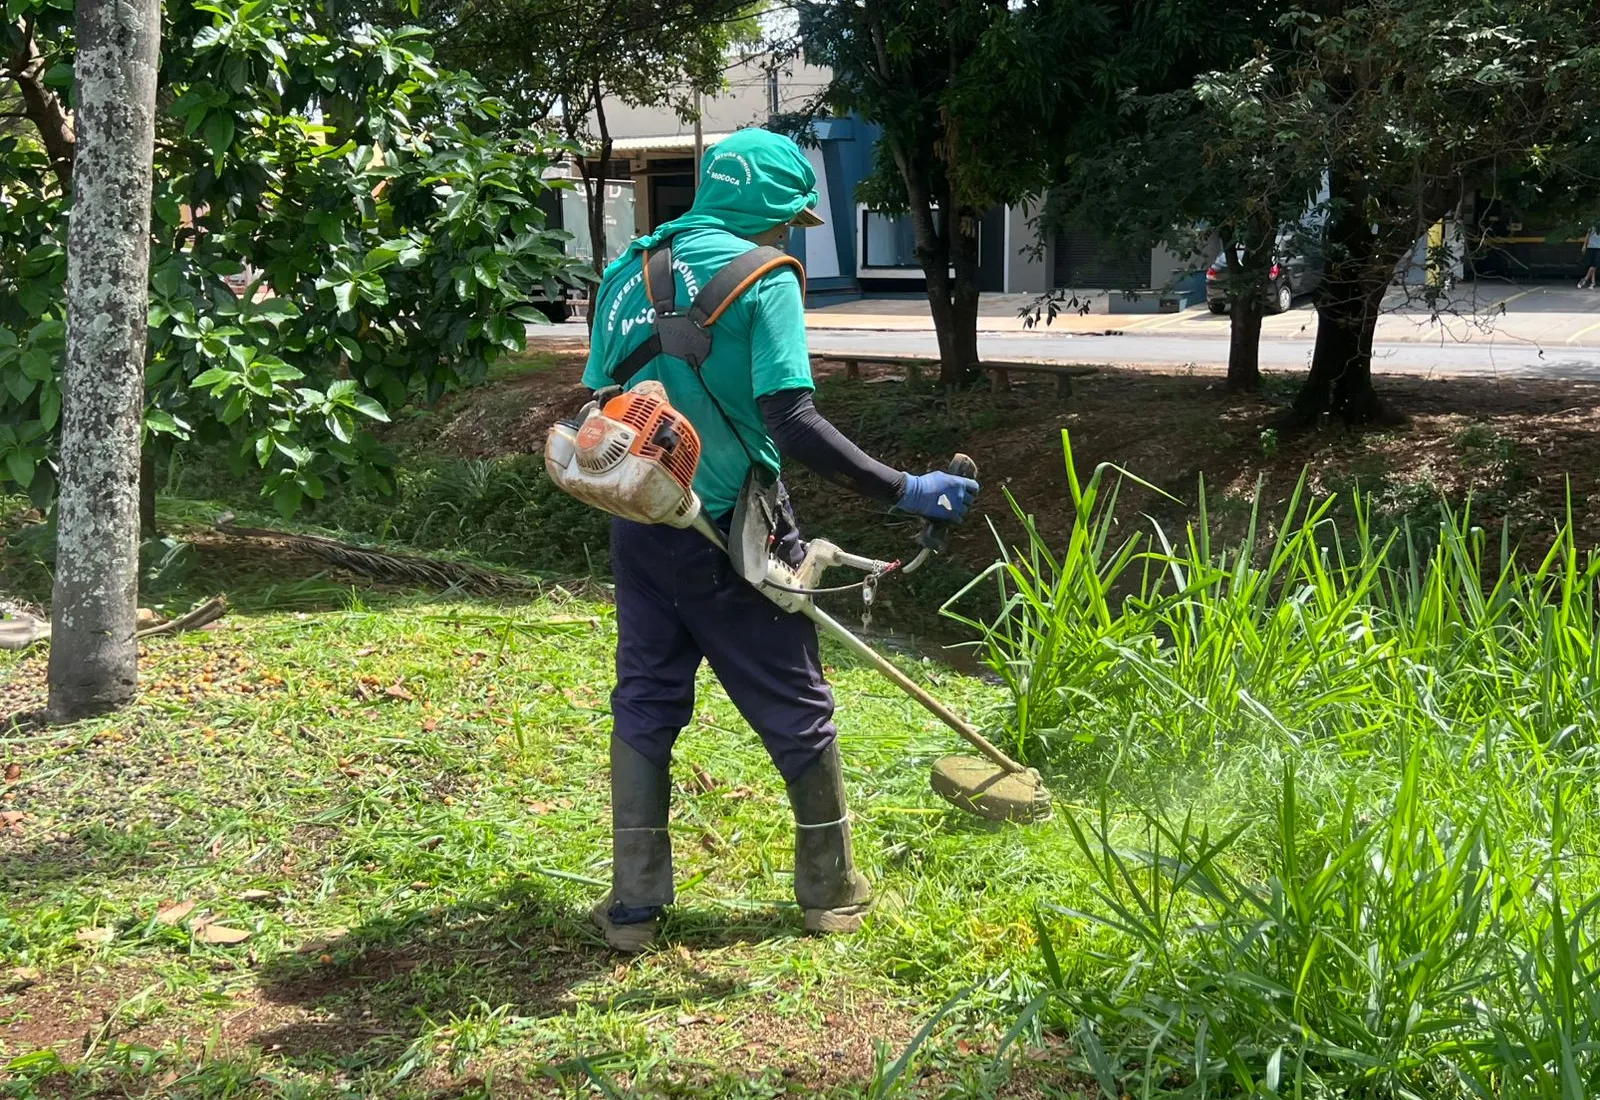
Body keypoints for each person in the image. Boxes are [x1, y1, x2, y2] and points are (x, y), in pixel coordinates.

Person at [579, 128, 980, 953]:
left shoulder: (627, 271)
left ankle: (633, 907)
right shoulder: (763, 279)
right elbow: (790, 419)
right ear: (770, 208)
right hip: (733, 528)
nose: (790, 234)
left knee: (646, 699)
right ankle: (830, 890)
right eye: (790, 218)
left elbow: (599, 403)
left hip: (641, 520)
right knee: (796, 705)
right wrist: (907, 490)